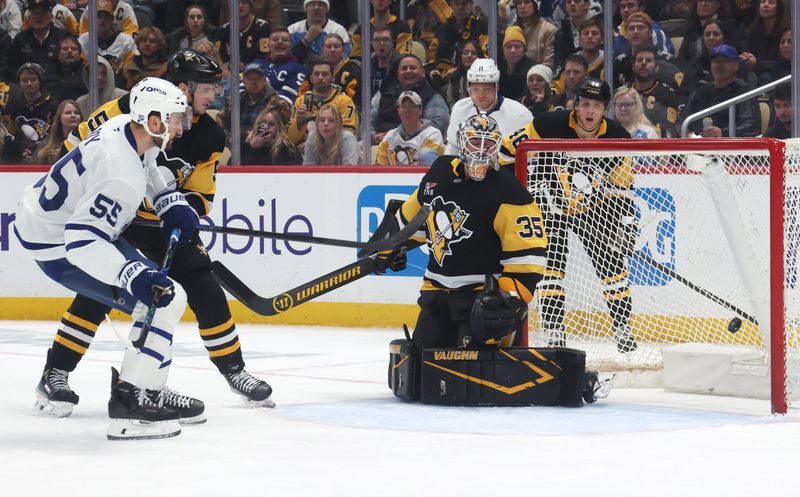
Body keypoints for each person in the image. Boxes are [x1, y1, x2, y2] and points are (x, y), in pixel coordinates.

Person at [42, 49, 275, 420]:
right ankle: (56, 373)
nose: (214, 95)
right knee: (97, 296)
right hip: (119, 222)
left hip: (165, 227)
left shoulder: (210, 134)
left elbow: (201, 193)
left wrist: (186, 214)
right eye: (208, 88)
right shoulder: (128, 108)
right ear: (184, 87)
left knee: (206, 291)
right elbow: (76, 154)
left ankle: (234, 371)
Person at [17, 77, 199, 440]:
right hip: (57, 242)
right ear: (153, 120)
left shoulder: (124, 127)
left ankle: (146, 388)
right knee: (163, 298)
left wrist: (167, 198)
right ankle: (131, 406)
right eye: (175, 118)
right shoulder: (121, 179)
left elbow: (149, 161)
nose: (181, 126)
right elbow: (81, 242)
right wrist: (131, 273)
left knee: (162, 297)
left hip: (52, 221)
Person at [391, 112, 547, 393]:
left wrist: (506, 301)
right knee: (421, 381)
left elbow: (530, 259)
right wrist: (390, 246)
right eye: (476, 143)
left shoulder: (510, 192)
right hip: (435, 291)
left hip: (478, 298)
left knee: (471, 379)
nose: (482, 152)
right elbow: (410, 220)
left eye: (489, 145)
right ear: (462, 144)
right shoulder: (439, 173)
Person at [498, 78, 638, 353]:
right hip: (549, 207)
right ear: (575, 105)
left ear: (605, 109)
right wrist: (525, 188)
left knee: (613, 267)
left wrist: (624, 222)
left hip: (593, 207)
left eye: (596, 106)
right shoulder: (548, 125)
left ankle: (623, 329)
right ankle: (554, 331)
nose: (589, 112)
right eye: (585, 104)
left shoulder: (618, 136)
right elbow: (505, 153)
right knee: (551, 270)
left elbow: (623, 187)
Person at [445, 58, 532, 155]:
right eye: (476, 89)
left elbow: (529, 156)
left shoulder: (519, 114)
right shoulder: (460, 108)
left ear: (496, 87)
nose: (481, 95)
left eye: (487, 89)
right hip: (467, 167)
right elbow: (453, 148)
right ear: (468, 88)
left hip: (506, 168)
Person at [682, 44, 759, 137]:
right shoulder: (701, 92)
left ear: (736, 66)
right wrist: (688, 134)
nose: (719, 65)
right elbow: (682, 121)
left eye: (725, 61)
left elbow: (752, 128)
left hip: (731, 147)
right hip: (697, 145)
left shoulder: (745, 93)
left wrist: (723, 133)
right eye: (715, 61)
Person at [288, 60, 358, 145]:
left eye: (325, 74)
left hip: (335, 153)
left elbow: (348, 134)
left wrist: (314, 144)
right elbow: (290, 140)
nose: (320, 77)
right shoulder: (301, 101)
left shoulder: (344, 101)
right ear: (311, 78)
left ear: (333, 78)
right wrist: (298, 123)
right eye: (317, 74)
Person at [77, 0, 138, 85]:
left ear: (112, 19)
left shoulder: (127, 42)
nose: (102, 20)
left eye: (106, 16)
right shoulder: (83, 40)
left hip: (118, 87)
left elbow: (132, 72)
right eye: (98, 16)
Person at [376, 90, 444, 166]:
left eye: (412, 106)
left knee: (426, 153)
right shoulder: (389, 137)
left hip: (422, 177)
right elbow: (379, 167)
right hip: (392, 178)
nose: (407, 111)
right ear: (398, 110)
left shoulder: (432, 135)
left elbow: (431, 166)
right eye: (403, 106)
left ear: (420, 110)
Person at [6, 62, 56, 162]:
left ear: (40, 81)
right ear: (19, 83)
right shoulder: (13, 105)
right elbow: (9, 134)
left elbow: (57, 134)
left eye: (33, 79)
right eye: (24, 80)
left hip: (47, 154)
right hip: (19, 156)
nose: (29, 83)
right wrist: (20, 149)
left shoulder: (52, 103)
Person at [628, 45, 679, 137]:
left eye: (648, 60)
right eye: (639, 60)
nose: (643, 63)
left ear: (656, 67)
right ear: (633, 66)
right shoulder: (624, 93)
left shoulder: (668, 94)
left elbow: (671, 128)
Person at [739, 0, 789, 85]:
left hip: (779, 73)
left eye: (771, 2)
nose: (765, 5)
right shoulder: (753, 30)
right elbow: (748, 50)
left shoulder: (785, 31)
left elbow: (784, 63)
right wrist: (746, 57)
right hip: (755, 71)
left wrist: (757, 62)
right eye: (763, 2)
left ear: (779, 8)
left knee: (764, 76)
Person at [215, 0, 271, 70]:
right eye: (237, 3)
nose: (240, 6)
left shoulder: (262, 27)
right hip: (229, 75)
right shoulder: (223, 30)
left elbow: (264, 57)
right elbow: (219, 57)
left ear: (250, 5)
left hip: (255, 72)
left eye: (244, 2)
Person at [261, 27, 307, 107]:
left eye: (284, 40)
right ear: (268, 44)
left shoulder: (298, 69)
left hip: (277, 115)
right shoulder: (257, 64)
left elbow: (285, 102)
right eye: (275, 39)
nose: (280, 42)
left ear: (290, 45)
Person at [31, 98, 81, 164]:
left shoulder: (87, 141)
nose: (73, 115)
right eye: (68, 113)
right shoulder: (45, 145)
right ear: (59, 118)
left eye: (76, 113)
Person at [122, 26, 168, 90]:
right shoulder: (128, 69)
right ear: (138, 45)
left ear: (159, 45)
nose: (147, 44)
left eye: (152, 41)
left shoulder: (166, 69)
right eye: (143, 41)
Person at [514, 0, 558, 68]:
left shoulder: (549, 30)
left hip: (538, 76)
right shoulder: (511, 30)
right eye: (519, 3)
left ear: (535, 5)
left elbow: (548, 63)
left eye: (527, 2)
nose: (522, 6)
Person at [499, 25, 535, 101]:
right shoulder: (499, 68)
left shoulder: (532, 69)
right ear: (503, 50)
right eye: (509, 47)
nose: (513, 50)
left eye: (517, 47)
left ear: (524, 50)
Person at [443, 39, 483, 108]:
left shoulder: (485, 78)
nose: (469, 56)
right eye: (465, 53)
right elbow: (451, 102)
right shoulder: (454, 77)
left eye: (473, 53)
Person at [47, 36, 86, 103]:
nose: (69, 51)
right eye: (65, 49)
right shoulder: (49, 73)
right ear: (58, 55)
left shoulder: (86, 73)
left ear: (80, 55)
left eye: (74, 49)